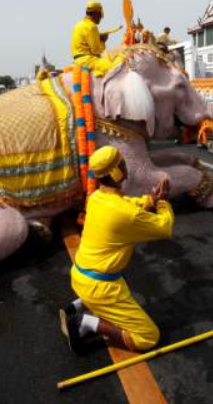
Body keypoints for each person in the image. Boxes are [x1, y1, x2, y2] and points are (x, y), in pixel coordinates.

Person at [60, 146, 174, 354]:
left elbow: (127, 203)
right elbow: (164, 228)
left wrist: (151, 200)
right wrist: (164, 202)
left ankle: (81, 304)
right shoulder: (124, 213)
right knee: (148, 337)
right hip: (100, 287)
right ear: (116, 172)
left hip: (80, 275)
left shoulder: (96, 197)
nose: (126, 165)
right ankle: (86, 323)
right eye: (122, 163)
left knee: (121, 282)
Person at [71, 1, 117, 77]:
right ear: (95, 13)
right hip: (88, 61)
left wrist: (97, 37)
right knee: (115, 68)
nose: (101, 18)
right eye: (100, 15)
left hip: (77, 61)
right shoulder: (92, 27)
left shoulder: (78, 24)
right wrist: (102, 41)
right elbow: (96, 51)